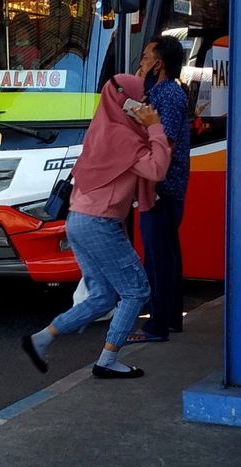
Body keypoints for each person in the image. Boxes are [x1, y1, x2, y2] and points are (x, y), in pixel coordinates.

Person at [21, 73, 171, 379]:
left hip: (78, 220)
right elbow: (157, 169)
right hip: (101, 223)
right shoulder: (126, 138)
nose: (144, 104)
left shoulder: (102, 130)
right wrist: (154, 126)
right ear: (125, 101)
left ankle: (41, 339)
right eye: (139, 99)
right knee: (136, 291)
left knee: (102, 296)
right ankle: (108, 358)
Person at [127, 35, 191, 343]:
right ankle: (169, 319)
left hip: (162, 187)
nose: (142, 62)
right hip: (163, 186)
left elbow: (163, 145)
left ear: (159, 63)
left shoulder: (168, 96)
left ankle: (157, 326)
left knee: (157, 258)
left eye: (146, 57)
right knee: (165, 255)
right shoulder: (162, 93)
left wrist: (150, 186)